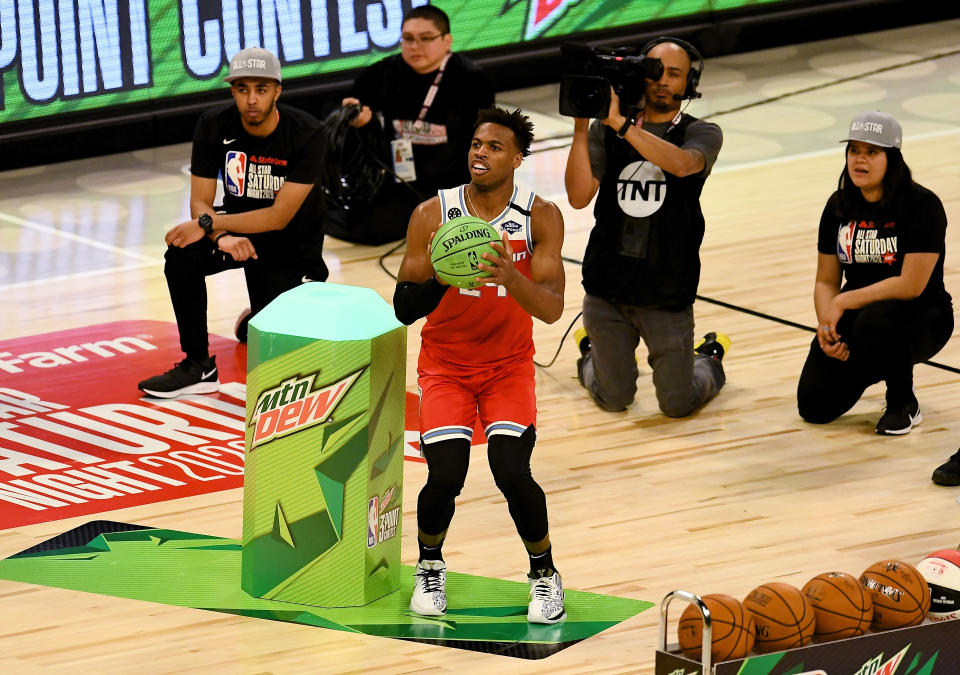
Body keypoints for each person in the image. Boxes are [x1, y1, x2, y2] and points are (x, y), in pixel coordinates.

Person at [393, 107, 567, 623]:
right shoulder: (433, 214)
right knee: (445, 474)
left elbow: (554, 309)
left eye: (493, 146)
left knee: (512, 470)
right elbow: (403, 308)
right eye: (475, 144)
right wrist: (443, 278)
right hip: (445, 365)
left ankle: (545, 575)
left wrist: (511, 278)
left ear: (517, 158)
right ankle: (429, 567)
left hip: (507, 366)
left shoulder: (539, 217)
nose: (480, 152)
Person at [138, 47, 328, 398]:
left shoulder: (307, 133)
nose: (251, 99)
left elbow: (278, 216)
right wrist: (219, 234)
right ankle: (198, 366)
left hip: (292, 243)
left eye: (261, 89)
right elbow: (200, 200)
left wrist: (210, 222)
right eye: (242, 89)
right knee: (181, 254)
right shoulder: (213, 124)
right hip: (237, 233)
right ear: (232, 91)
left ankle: (259, 317)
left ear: (277, 91)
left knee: (291, 363)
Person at [564, 37, 729, 418]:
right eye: (654, 71)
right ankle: (591, 352)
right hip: (608, 288)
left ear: (690, 83)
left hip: (666, 290)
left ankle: (710, 356)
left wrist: (621, 124)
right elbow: (577, 196)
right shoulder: (605, 130)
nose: (662, 80)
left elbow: (684, 165)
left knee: (677, 405)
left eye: (674, 73)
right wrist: (580, 125)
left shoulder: (702, 132)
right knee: (614, 398)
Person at [796, 111, 953, 435]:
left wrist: (845, 302)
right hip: (861, 316)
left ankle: (903, 403)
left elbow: (910, 285)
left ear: (892, 158)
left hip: (923, 316)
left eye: (872, 152)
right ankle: (875, 362)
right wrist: (828, 325)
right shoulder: (838, 205)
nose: (860, 160)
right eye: (854, 150)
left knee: (877, 320)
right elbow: (826, 280)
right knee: (814, 406)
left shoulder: (922, 205)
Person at [325, 5, 495, 245]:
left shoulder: (473, 80)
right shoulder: (383, 72)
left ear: (447, 41)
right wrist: (358, 117)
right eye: (408, 39)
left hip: (451, 185)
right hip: (397, 180)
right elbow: (342, 106)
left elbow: (484, 145)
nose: (415, 46)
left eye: (425, 39)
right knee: (364, 226)